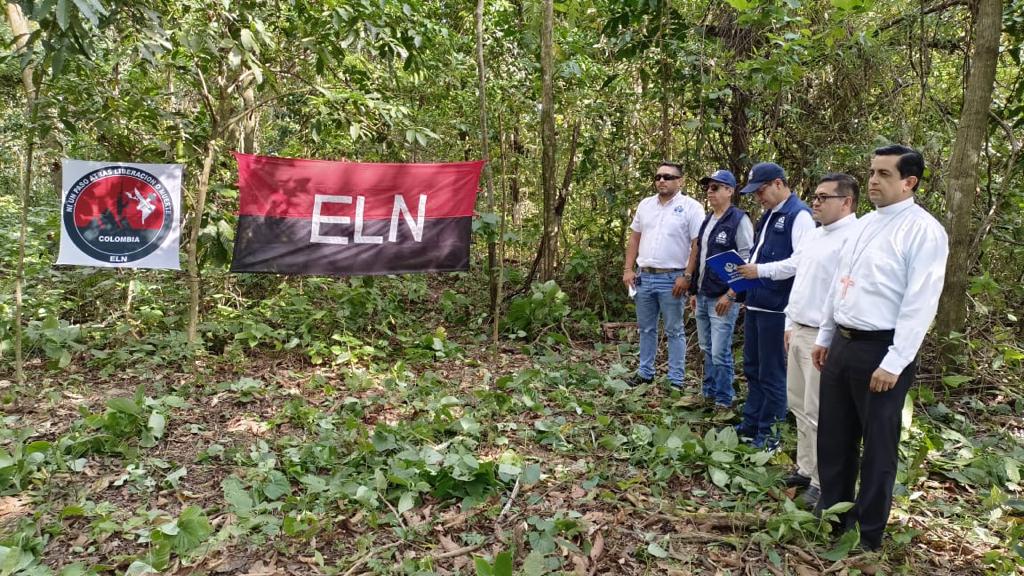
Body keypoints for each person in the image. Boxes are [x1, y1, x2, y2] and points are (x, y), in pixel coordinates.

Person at [810, 145, 948, 551]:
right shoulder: (864, 225)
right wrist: (825, 335)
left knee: (878, 446)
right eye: (871, 172)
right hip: (843, 343)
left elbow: (921, 302)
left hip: (882, 350)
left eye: (884, 174)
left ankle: (868, 533)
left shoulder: (923, 231)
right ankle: (833, 515)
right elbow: (840, 284)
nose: (873, 180)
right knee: (834, 436)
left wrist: (896, 360)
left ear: (909, 182)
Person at [737, 173, 860, 508]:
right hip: (799, 328)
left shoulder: (853, 238)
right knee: (799, 405)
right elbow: (799, 276)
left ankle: (822, 481)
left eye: (823, 198)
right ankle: (805, 469)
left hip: (823, 335)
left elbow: (841, 294)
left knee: (820, 411)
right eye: (815, 196)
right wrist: (790, 322)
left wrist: (826, 337)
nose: (815, 203)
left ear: (846, 202)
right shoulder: (816, 235)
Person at [733, 162, 813, 448]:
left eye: (762, 190)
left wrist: (760, 271)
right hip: (756, 302)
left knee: (772, 373)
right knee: (753, 368)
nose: (759, 197)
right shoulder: (768, 215)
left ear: (779, 184)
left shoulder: (799, 215)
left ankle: (769, 435)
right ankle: (751, 424)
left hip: (777, 308)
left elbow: (801, 262)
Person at [623, 162, 705, 387]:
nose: (661, 180)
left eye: (668, 177)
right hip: (644, 277)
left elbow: (697, 244)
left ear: (680, 181)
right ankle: (645, 373)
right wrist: (628, 269)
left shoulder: (691, 207)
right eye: (658, 176)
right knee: (646, 328)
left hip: (672, 278)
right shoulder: (646, 205)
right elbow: (635, 238)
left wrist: (687, 276)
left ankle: (675, 379)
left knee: (674, 330)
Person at [688, 170, 754, 409]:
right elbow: (700, 256)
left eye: (715, 187)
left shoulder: (739, 220)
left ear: (729, 191)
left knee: (719, 351)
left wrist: (731, 294)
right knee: (706, 348)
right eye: (708, 187)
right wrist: (694, 290)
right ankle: (709, 393)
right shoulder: (708, 220)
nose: (710, 192)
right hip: (703, 294)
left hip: (723, 297)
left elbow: (746, 260)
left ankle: (725, 400)